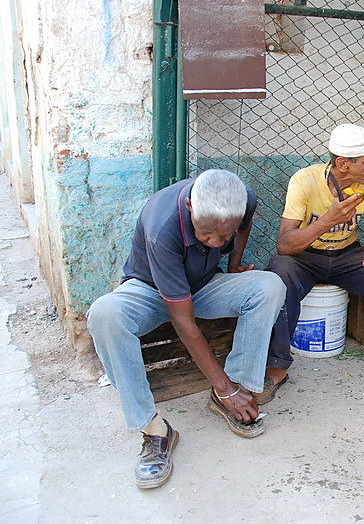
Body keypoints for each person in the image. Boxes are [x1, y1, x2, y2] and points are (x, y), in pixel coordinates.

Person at [87, 169, 287, 489]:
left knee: (269, 285)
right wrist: (220, 384)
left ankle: (236, 388)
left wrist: (233, 262)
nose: (215, 242)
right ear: (192, 208)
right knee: (105, 314)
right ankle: (155, 430)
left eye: (225, 236)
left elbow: (244, 226)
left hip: (202, 285)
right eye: (208, 234)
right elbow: (183, 321)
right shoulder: (162, 225)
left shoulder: (242, 197)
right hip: (150, 291)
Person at [264, 124, 364, 391]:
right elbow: (285, 244)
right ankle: (277, 366)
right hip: (305, 257)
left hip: (347, 256)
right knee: (279, 272)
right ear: (343, 163)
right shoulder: (305, 180)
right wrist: (328, 220)